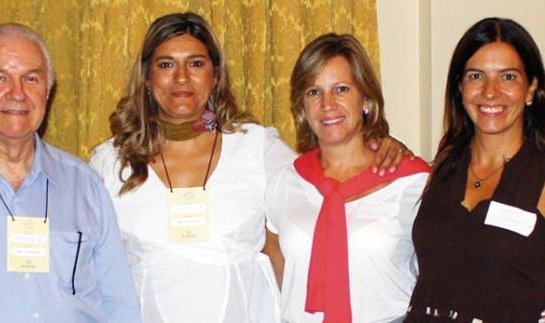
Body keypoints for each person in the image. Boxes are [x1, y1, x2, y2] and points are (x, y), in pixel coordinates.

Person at [89, 12, 410, 323]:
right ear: (147, 77)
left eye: (196, 64)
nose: (182, 77)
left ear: (215, 76)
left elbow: (330, 174)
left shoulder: (256, 147)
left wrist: (377, 143)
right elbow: (91, 270)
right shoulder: (109, 162)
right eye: (166, 65)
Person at [0, 23, 141, 323]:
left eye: (31, 78)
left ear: (47, 90)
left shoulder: (84, 185)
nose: (16, 93)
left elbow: (119, 303)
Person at [264, 33, 430, 322]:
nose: (327, 104)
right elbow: (273, 248)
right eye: (314, 92)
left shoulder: (413, 181)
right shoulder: (286, 179)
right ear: (302, 106)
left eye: (341, 89)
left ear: (365, 100)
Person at [405, 17, 545, 322]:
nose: (490, 91)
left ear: (531, 90)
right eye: (476, 76)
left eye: (508, 77)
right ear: (460, 87)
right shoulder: (445, 163)